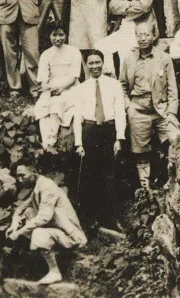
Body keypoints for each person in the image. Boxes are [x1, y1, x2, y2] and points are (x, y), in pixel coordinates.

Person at [119, 20, 180, 189]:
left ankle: (173, 182)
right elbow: (122, 85)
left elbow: (172, 89)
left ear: (154, 36)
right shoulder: (129, 59)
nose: (143, 38)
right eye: (139, 35)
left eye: (146, 34)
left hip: (161, 110)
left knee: (176, 139)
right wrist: (128, 106)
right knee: (141, 153)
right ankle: (146, 191)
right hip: (138, 110)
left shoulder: (164, 58)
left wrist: (171, 113)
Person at [7, 159, 87, 285]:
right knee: (29, 211)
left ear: (34, 172)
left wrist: (19, 233)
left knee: (38, 232)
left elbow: (44, 218)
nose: (20, 179)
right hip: (57, 229)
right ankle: (39, 255)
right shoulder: (38, 186)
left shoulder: (47, 187)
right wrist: (13, 225)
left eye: (23, 175)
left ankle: (55, 272)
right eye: (18, 176)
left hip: (70, 236)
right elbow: (20, 209)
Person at [71, 50, 126, 232]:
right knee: (90, 175)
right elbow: (77, 116)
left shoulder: (114, 85)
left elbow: (120, 111)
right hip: (90, 130)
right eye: (91, 63)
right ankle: (89, 220)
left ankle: (109, 218)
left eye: (98, 62)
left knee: (109, 174)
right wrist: (79, 143)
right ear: (86, 65)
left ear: (103, 63)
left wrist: (119, 138)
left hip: (108, 130)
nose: (94, 66)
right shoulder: (81, 88)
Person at [99, 0, 157, 74]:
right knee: (102, 46)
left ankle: (123, 85)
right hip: (123, 27)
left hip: (140, 26)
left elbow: (144, 7)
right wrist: (130, 4)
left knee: (124, 51)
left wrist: (123, 7)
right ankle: (112, 78)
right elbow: (112, 7)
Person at [31, 26, 82, 152]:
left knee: (56, 103)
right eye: (54, 35)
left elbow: (74, 76)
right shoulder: (46, 54)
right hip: (52, 86)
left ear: (66, 35)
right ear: (49, 36)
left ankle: (52, 139)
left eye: (61, 35)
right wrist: (47, 88)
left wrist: (61, 88)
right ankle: (46, 141)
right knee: (42, 109)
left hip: (70, 86)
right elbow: (43, 78)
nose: (58, 38)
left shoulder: (74, 51)